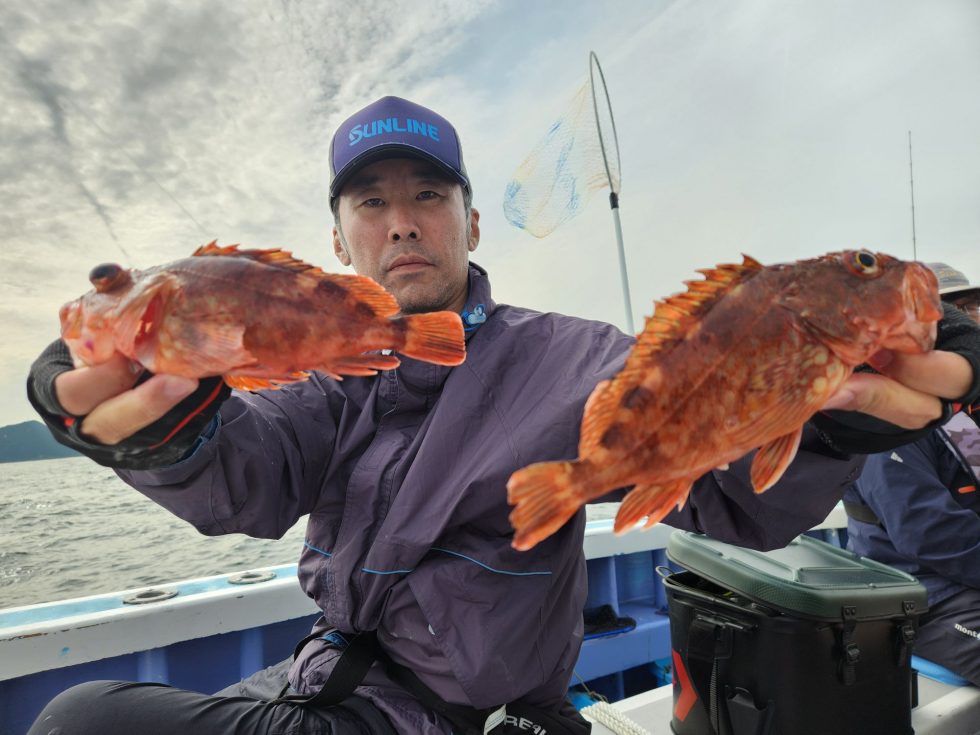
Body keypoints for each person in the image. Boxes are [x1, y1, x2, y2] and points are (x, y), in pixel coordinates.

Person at [25, 96, 980, 734]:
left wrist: (826, 425)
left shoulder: (578, 357)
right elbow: (245, 476)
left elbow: (733, 500)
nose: (403, 221)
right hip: (324, 685)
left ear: (471, 222)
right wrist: (167, 429)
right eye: (372, 201)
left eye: (429, 196)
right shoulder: (323, 374)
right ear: (340, 236)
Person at [844, 262, 980, 686]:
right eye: (956, 310)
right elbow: (927, 531)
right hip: (923, 598)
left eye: (974, 306)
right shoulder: (885, 417)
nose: (970, 318)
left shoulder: (962, 410)